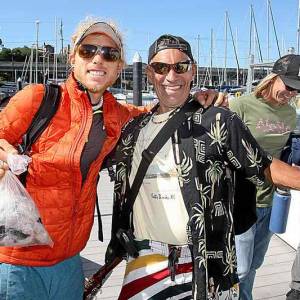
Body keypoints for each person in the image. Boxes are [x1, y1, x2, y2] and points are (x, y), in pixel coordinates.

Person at [0, 18, 223, 300]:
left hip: (70, 258)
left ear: (119, 67)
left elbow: (156, 112)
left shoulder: (116, 114)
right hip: (18, 258)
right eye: (88, 50)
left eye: (110, 53)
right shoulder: (38, 99)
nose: (98, 59)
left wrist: (201, 98)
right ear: (73, 57)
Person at [105, 34, 300, 300]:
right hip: (145, 262)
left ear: (192, 70)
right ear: (150, 73)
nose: (171, 76)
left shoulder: (219, 120)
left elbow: (265, 167)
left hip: (207, 268)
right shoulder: (132, 130)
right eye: (161, 67)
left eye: (180, 66)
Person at [229, 54, 300, 300]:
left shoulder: (291, 115)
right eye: (289, 86)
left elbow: (286, 153)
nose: (291, 93)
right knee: (240, 268)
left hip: (271, 201)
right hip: (241, 201)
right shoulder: (240, 106)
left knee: (255, 264)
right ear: (272, 78)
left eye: (297, 90)